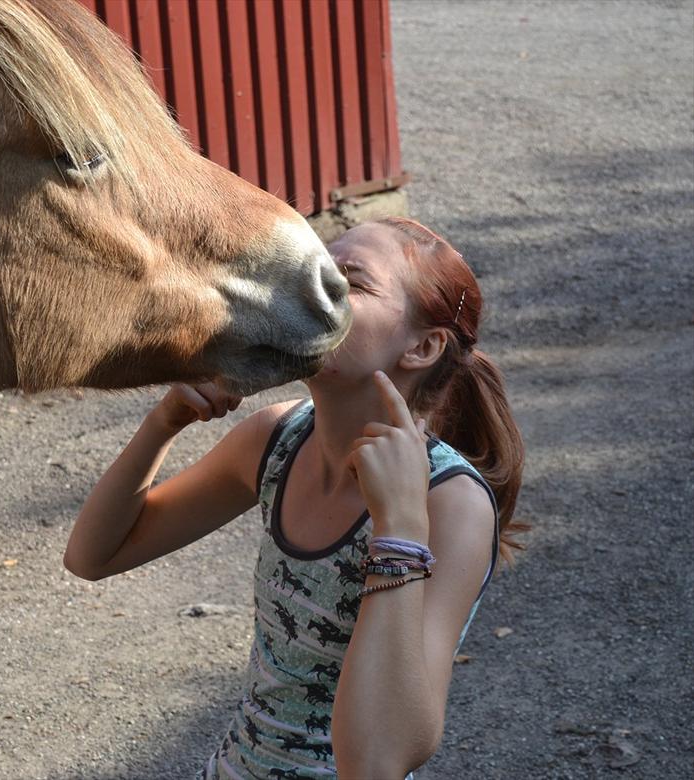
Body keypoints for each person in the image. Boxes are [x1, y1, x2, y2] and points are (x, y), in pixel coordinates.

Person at [64, 217, 525, 778]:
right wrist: (165, 421)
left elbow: (376, 762)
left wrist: (399, 525)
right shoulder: (277, 439)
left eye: (349, 282)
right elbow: (94, 556)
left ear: (424, 346)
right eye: (321, 269)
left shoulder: (447, 504)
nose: (315, 289)